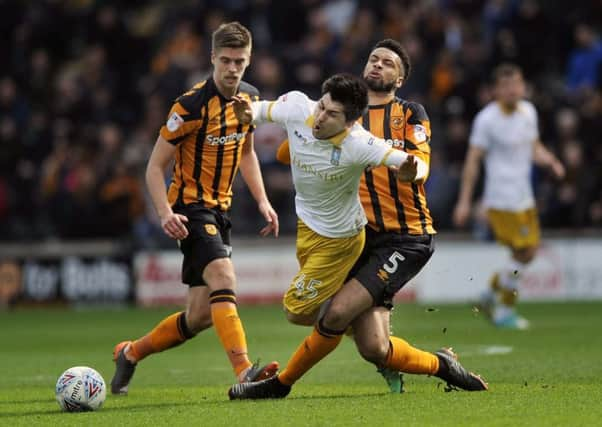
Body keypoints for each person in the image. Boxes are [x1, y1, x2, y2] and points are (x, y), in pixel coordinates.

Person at [228, 67, 487, 400]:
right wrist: (249, 113)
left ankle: (280, 385)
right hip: (317, 231)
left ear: (350, 122)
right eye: (321, 106)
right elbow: (261, 111)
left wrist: (413, 169)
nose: (320, 117)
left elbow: (409, 162)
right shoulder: (298, 107)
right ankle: (442, 364)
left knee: (308, 312)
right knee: (374, 347)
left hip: (370, 240)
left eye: (332, 114)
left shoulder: (361, 142)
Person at [110, 22, 280, 395]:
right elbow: (155, 167)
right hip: (190, 209)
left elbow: (247, 153)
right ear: (212, 59)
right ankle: (245, 372)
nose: (233, 68)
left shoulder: (249, 99)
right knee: (225, 277)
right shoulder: (189, 106)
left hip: (221, 211)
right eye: (226, 61)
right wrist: (165, 213)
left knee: (200, 315)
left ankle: (130, 353)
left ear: (249, 61)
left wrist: (263, 200)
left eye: (240, 61)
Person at [452, 63, 565, 330]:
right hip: (501, 199)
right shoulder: (487, 120)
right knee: (526, 252)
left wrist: (551, 161)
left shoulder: (529, 112)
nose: (513, 90)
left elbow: (534, 147)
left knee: (525, 254)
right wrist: (465, 200)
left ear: (523, 86)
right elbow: (473, 160)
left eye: (517, 84)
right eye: (506, 85)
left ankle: (491, 293)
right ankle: (503, 309)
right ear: (496, 91)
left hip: (524, 196)